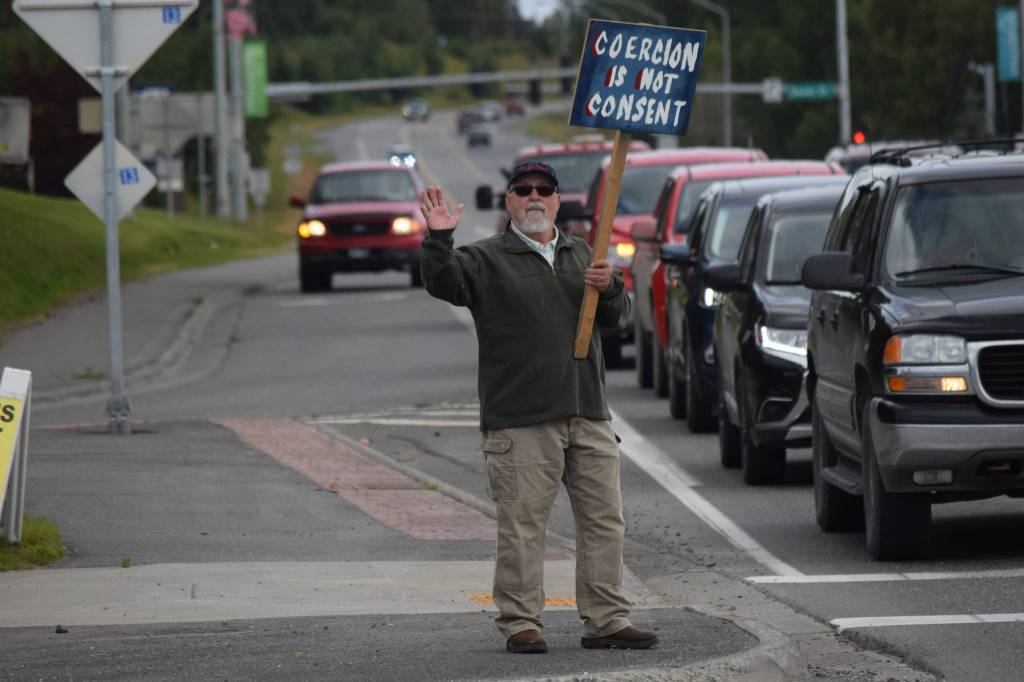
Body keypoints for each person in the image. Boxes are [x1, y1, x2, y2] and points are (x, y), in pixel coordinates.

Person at [419, 161, 658, 654]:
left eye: (543, 190)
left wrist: (610, 286)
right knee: (525, 525)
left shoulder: (582, 254)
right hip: (521, 418)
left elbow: (620, 317)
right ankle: (521, 622)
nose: (534, 197)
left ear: (557, 200)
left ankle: (607, 619)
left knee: (604, 520)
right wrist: (439, 239)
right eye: (522, 189)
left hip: (587, 411)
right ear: (508, 202)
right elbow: (442, 282)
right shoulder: (485, 259)